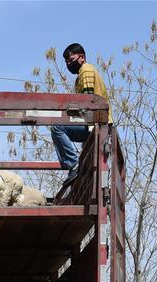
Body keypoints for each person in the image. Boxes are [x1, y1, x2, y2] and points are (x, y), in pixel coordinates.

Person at [51, 43, 113, 185]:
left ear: (82, 58)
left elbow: (88, 100)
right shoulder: (80, 76)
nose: (68, 64)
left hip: (96, 123)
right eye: (66, 62)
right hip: (95, 123)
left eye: (71, 60)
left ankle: (73, 164)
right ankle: (76, 165)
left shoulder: (86, 70)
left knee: (57, 127)